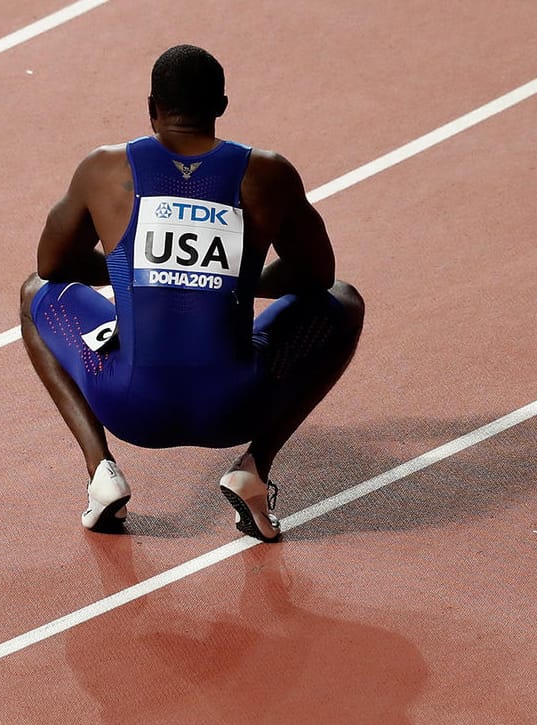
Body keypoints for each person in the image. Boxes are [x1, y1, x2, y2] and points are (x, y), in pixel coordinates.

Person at [19, 44, 363, 542]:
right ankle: (254, 467)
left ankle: (101, 473)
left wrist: (133, 273)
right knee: (344, 302)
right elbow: (317, 275)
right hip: (236, 407)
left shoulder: (102, 169)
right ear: (221, 105)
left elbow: (51, 266)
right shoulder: (268, 174)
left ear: (151, 107)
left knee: (34, 295)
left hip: (129, 406)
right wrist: (241, 278)